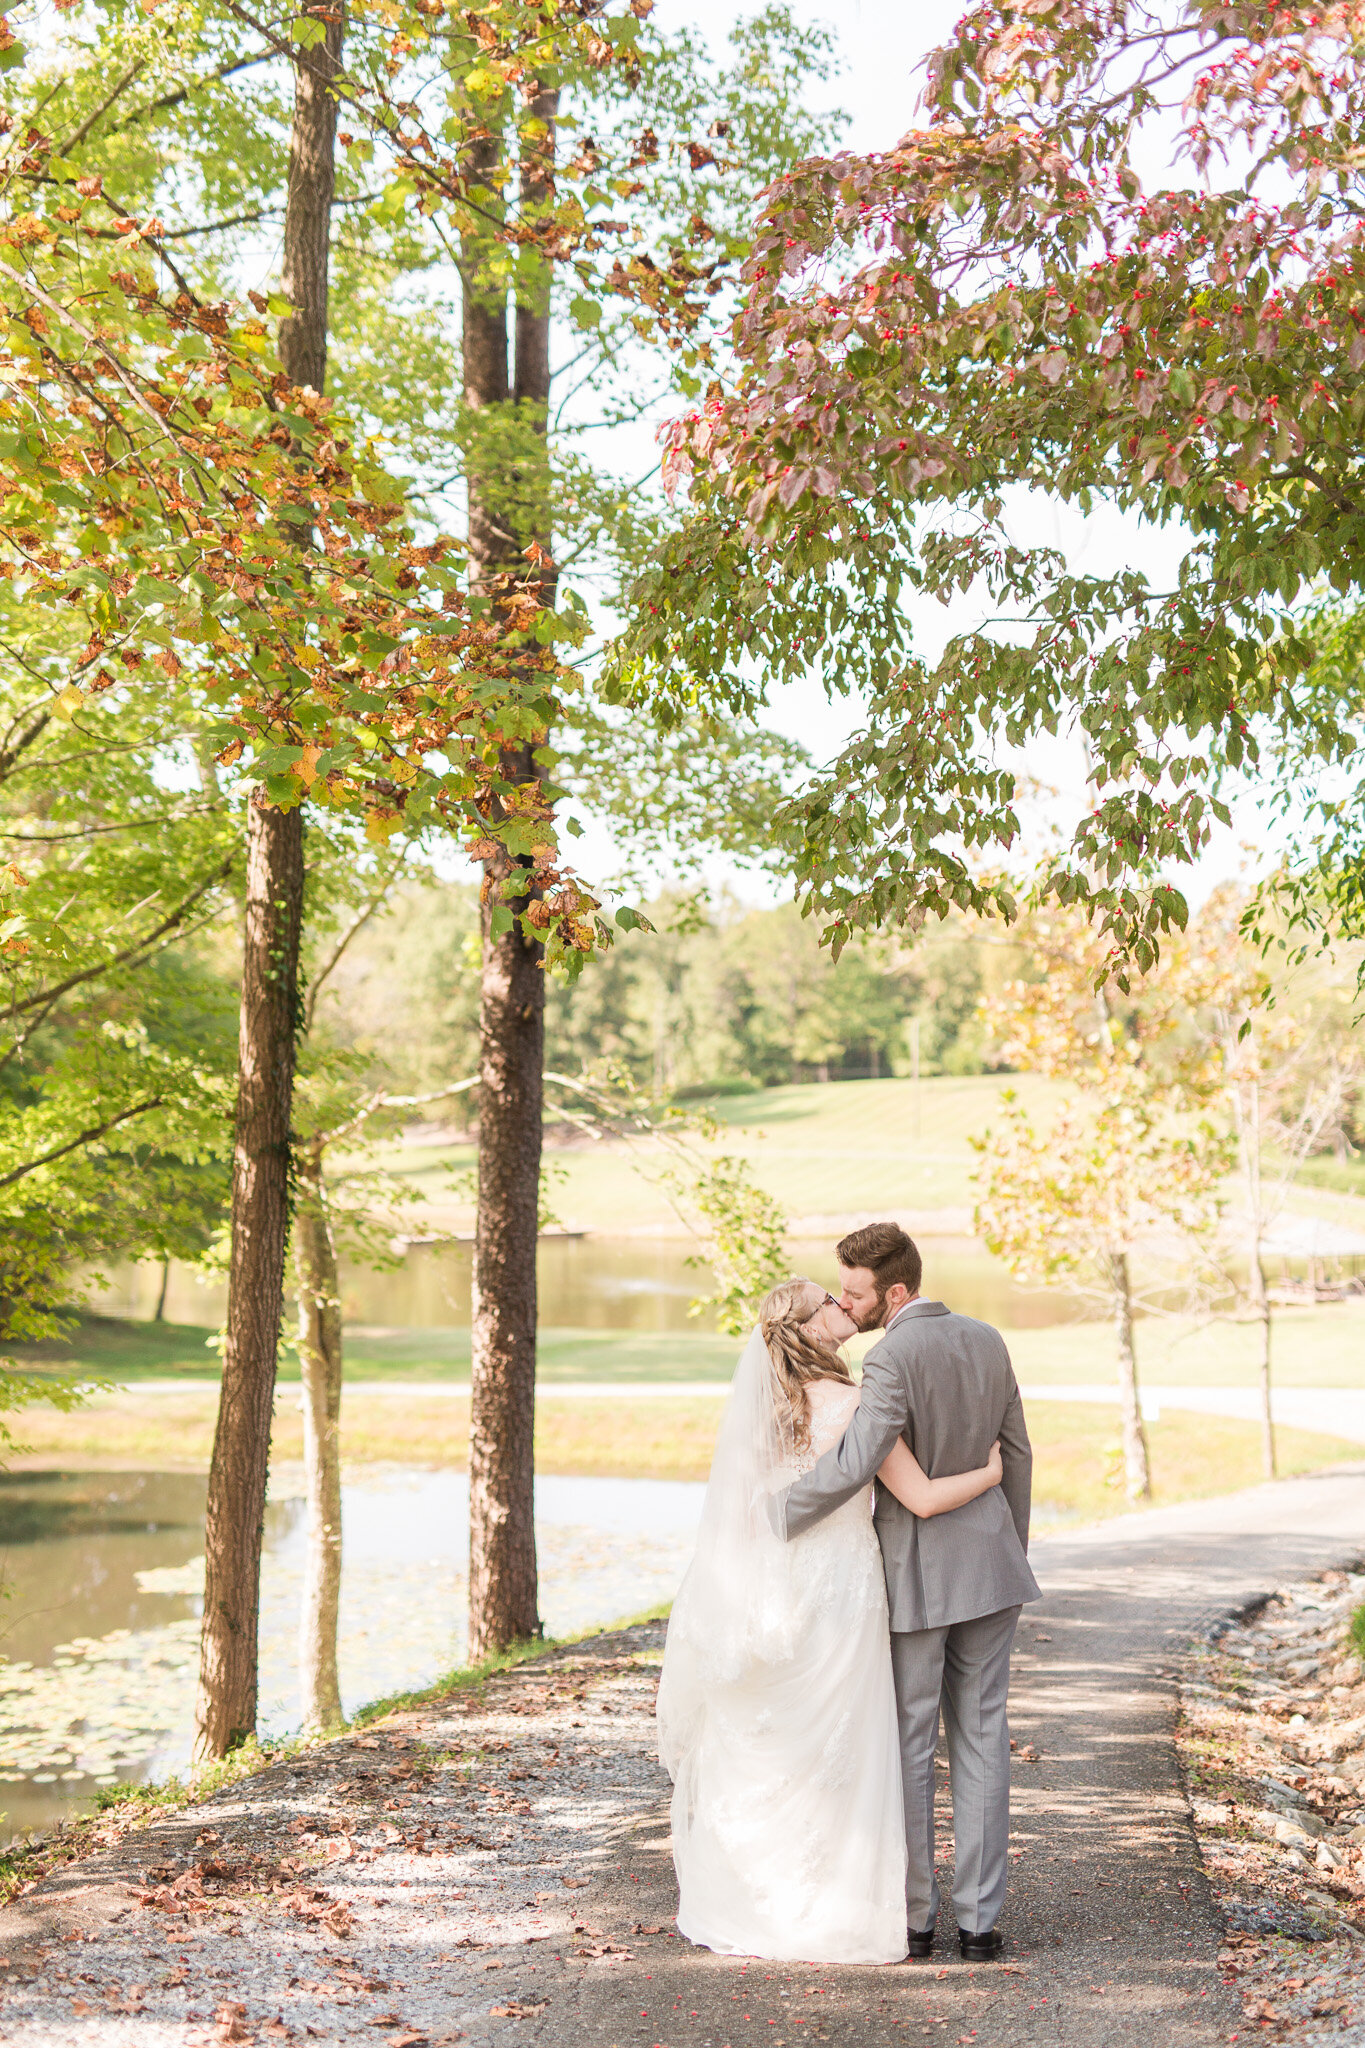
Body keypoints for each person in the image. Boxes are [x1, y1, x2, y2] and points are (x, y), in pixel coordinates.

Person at [656, 1275, 1006, 1965]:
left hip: (775, 1588)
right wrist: (991, 1473)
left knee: (776, 1742)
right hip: (841, 1588)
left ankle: (763, 1896)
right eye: (829, 1301)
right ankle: (847, 1903)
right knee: (846, 1746)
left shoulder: (761, 1410)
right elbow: (924, 1497)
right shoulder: (853, 1404)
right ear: (812, 1326)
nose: (842, 1306)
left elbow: (743, 1516)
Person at [776, 1223, 1039, 1963]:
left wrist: (774, 1516)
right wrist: (1008, 1547)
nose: (848, 1305)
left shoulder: (891, 1358)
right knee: (984, 1738)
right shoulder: (987, 1338)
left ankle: (916, 1919)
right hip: (991, 1569)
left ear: (895, 1291)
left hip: (918, 1578)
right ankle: (980, 1925)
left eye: (856, 1292)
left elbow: (856, 1462)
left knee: (911, 1744)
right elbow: (1015, 1451)